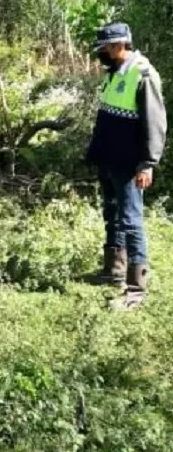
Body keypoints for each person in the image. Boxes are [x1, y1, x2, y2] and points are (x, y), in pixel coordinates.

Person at [87, 23, 167, 311]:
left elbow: (155, 123)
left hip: (129, 163)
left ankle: (136, 289)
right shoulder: (115, 73)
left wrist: (147, 164)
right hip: (109, 159)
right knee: (112, 215)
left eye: (106, 48)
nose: (103, 53)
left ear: (120, 45)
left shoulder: (143, 74)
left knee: (131, 222)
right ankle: (114, 271)